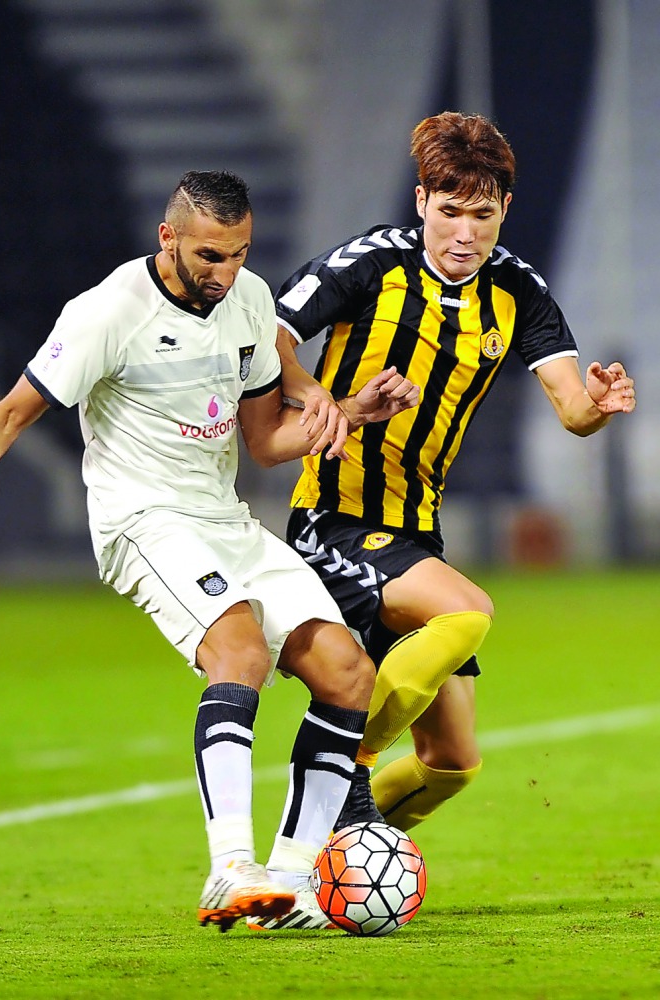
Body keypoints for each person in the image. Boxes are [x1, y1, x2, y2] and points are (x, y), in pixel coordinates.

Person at [0, 170, 419, 932]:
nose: (224, 273)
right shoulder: (108, 311)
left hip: (221, 517)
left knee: (346, 669)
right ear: (167, 238)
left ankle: (288, 886)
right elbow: (9, 414)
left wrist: (351, 414)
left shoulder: (249, 300)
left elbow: (265, 444)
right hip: (143, 519)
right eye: (208, 256)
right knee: (239, 652)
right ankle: (231, 869)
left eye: (237, 255)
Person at [274, 112, 637, 844]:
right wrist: (315, 396)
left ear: (504, 210)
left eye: (480, 213)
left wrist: (597, 407)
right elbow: (267, 332)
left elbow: (570, 406)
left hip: (415, 532)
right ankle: (342, 768)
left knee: (449, 765)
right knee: (466, 611)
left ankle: (326, 857)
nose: (463, 233)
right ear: (420, 203)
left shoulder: (518, 291)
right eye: (448, 212)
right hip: (334, 519)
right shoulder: (369, 264)